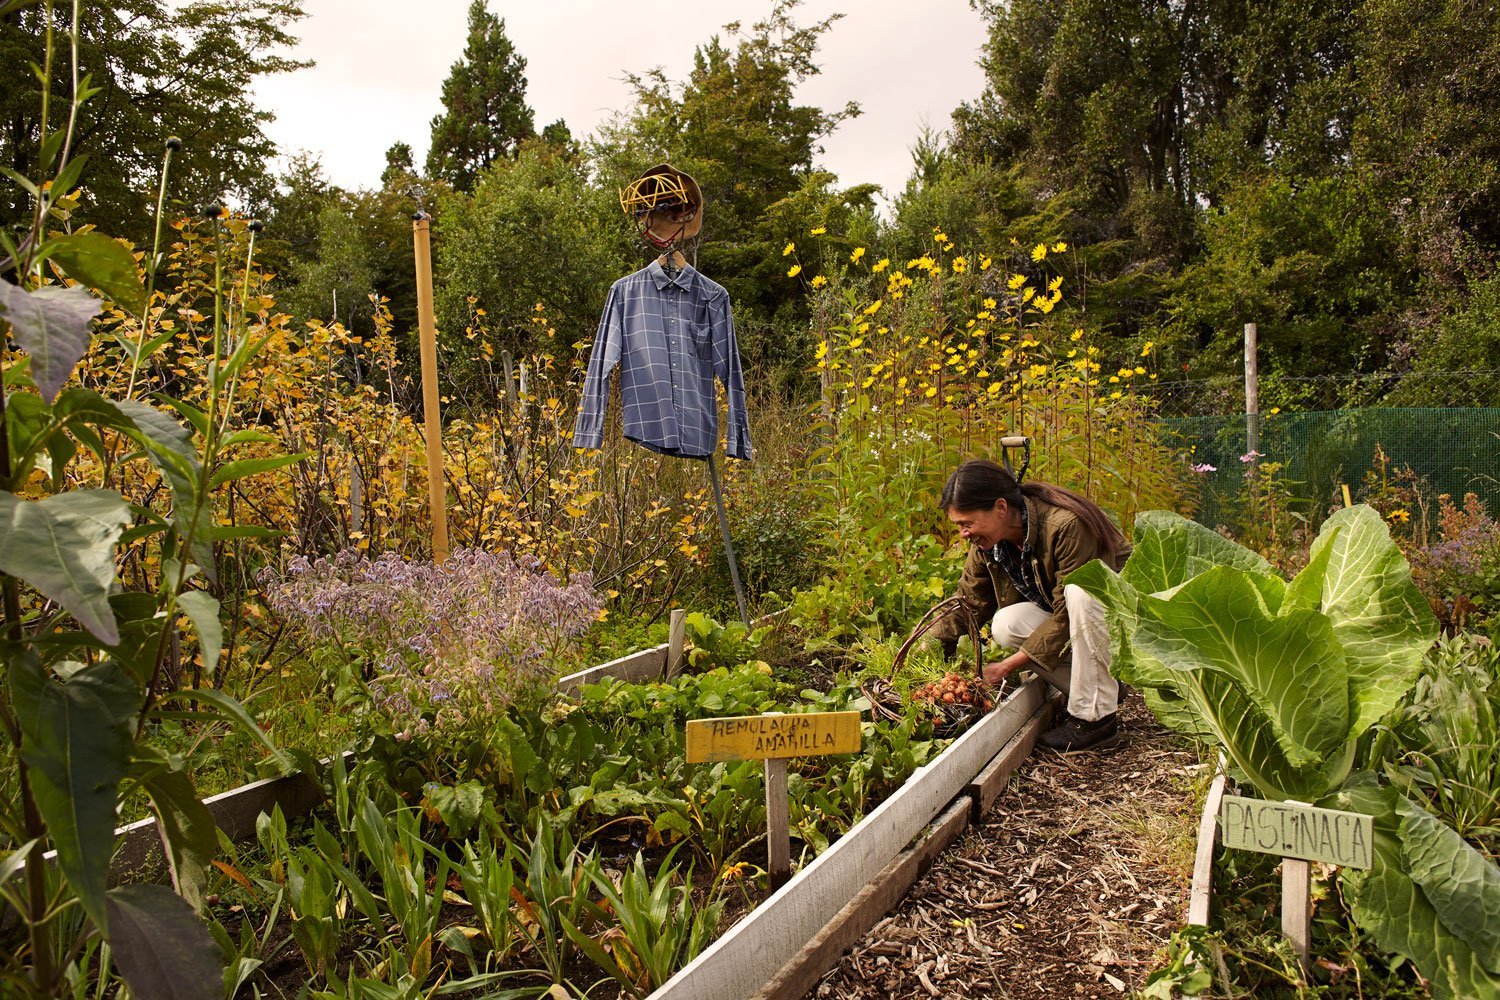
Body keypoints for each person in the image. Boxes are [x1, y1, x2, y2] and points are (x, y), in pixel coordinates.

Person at [929, 459, 1131, 752]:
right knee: (1006, 624)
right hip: (1079, 624)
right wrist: (928, 648)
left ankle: (1096, 723)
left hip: (1121, 624)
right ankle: (1102, 687)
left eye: (966, 523)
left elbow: (1067, 613)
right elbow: (969, 603)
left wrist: (1007, 665)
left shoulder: (1065, 526)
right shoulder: (989, 546)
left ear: (1000, 507)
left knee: (1081, 592)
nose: (963, 533)